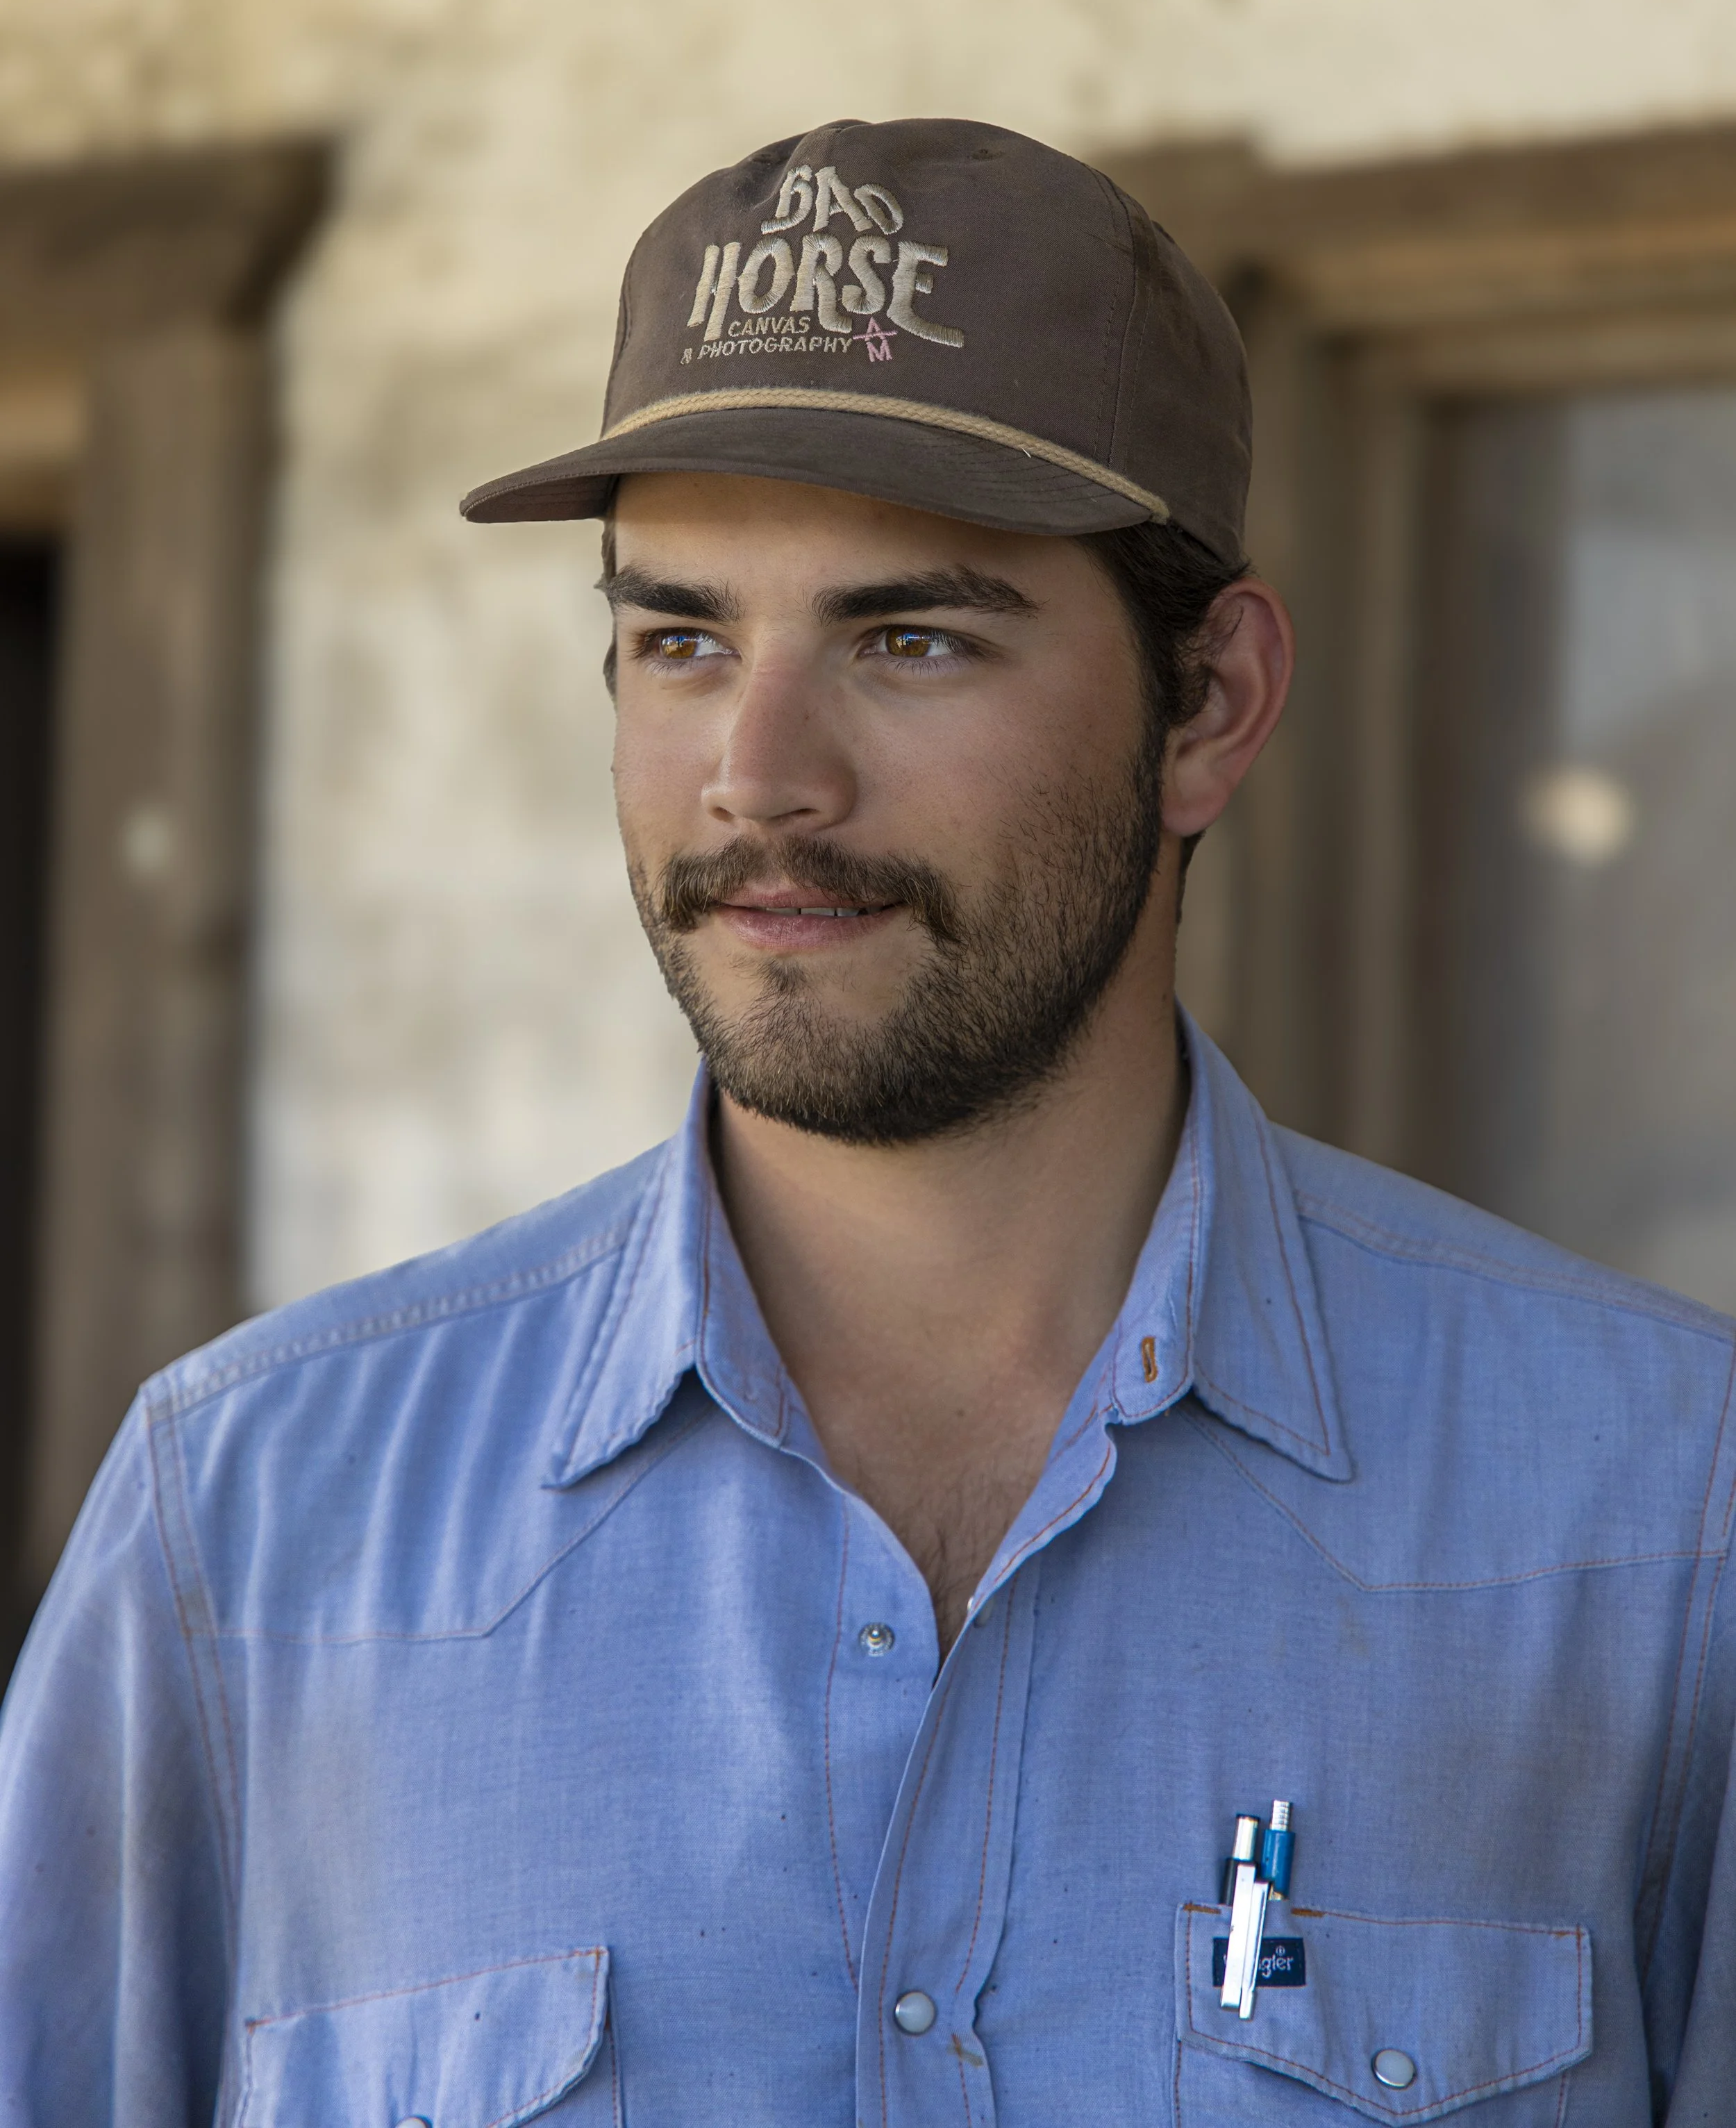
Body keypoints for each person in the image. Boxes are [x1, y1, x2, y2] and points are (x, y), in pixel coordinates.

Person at [2, 117, 1733, 2128]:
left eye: (908, 637)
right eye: (679, 638)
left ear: (1209, 706)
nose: (758, 775)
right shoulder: (256, 1527)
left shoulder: (1658, 1513)